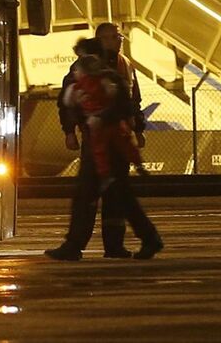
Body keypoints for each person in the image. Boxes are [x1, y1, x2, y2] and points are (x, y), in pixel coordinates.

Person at [46, 31, 163, 261]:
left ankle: (79, 244)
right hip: (102, 142)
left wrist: (93, 119)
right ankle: (127, 242)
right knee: (114, 196)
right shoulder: (103, 76)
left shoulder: (106, 77)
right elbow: (126, 105)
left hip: (107, 144)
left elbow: (124, 106)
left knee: (97, 195)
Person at [63, 52, 147, 189]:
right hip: (112, 123)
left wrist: (71, 128)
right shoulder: (106, 79)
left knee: (99, 151)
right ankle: (138, 164)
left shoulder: (78, 87)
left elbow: (68, 102)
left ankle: (105, 176)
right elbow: (120, 97)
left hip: (94, 125)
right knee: (125, 145)